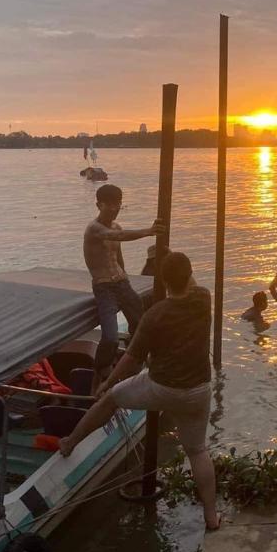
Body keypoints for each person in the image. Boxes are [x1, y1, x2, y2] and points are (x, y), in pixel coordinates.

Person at [59, 251, 220, 531]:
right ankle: (211, 517)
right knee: (197, 451)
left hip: (162, 388)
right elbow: (187, 281)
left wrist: (108, 383)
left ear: (163, 281)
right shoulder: (203, 299)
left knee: (110, 400)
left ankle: (70, 442)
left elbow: (131, 362)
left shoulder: (153, 316)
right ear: (190, 275)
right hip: (198, 390)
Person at [84, 183, 164, 385]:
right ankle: (102, 369)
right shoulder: (94, 229)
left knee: (141, 320)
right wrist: (149, 231)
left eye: (117, 204)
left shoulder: (116, 226)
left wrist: (127, 281)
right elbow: (117, 236)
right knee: (110, 336)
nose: (114, 208)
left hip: (121, 282)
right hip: (103, 286)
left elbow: (118, 258)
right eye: (109, 205)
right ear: (98, 205)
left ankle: (133, 358)